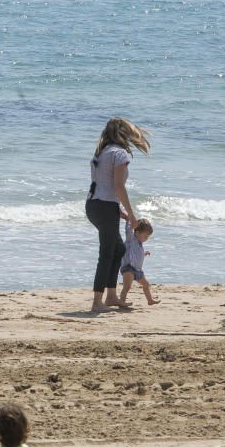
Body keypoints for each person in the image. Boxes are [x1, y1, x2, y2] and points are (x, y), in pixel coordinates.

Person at [85, 117, 151, 313]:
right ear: (123, 134)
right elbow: (118, 186)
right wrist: (131, 214)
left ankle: (112, 296)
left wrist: (118, 211)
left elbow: (104, 184)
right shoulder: (119, 154)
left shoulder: (102, 152)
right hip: (105, 206)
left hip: (94, 205)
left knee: (119, 248)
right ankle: (98, 301)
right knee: (107, 252)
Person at [119, 217, 160, 305]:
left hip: (138, 270)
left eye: (148, 236)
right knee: (127, 286)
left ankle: (150, 300)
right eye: (145, 236)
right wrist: (128, 220)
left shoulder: (139, 244)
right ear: (137, 233)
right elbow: (128, 230)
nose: (147, 238)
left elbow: (137, 255)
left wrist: (144, 254)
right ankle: (122, 301)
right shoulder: (131, 239)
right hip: (128, 268)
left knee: (146, 284)